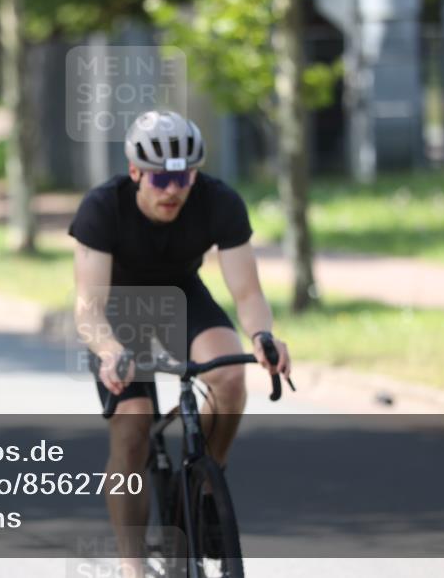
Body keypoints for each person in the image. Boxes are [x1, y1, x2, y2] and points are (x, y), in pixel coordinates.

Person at [69, 110, 291, 574]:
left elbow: (248, 293)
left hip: (182, 297)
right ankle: (133, 564)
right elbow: (88, 308)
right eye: (161, 179)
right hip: (118, 311)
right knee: (132, 428)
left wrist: (263, 336)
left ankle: (208, 488)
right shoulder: (102, 207)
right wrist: (110, 352)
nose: (174, 190)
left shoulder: (218, 201)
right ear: (135, 173)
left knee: (230, 375)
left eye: (184, 176)